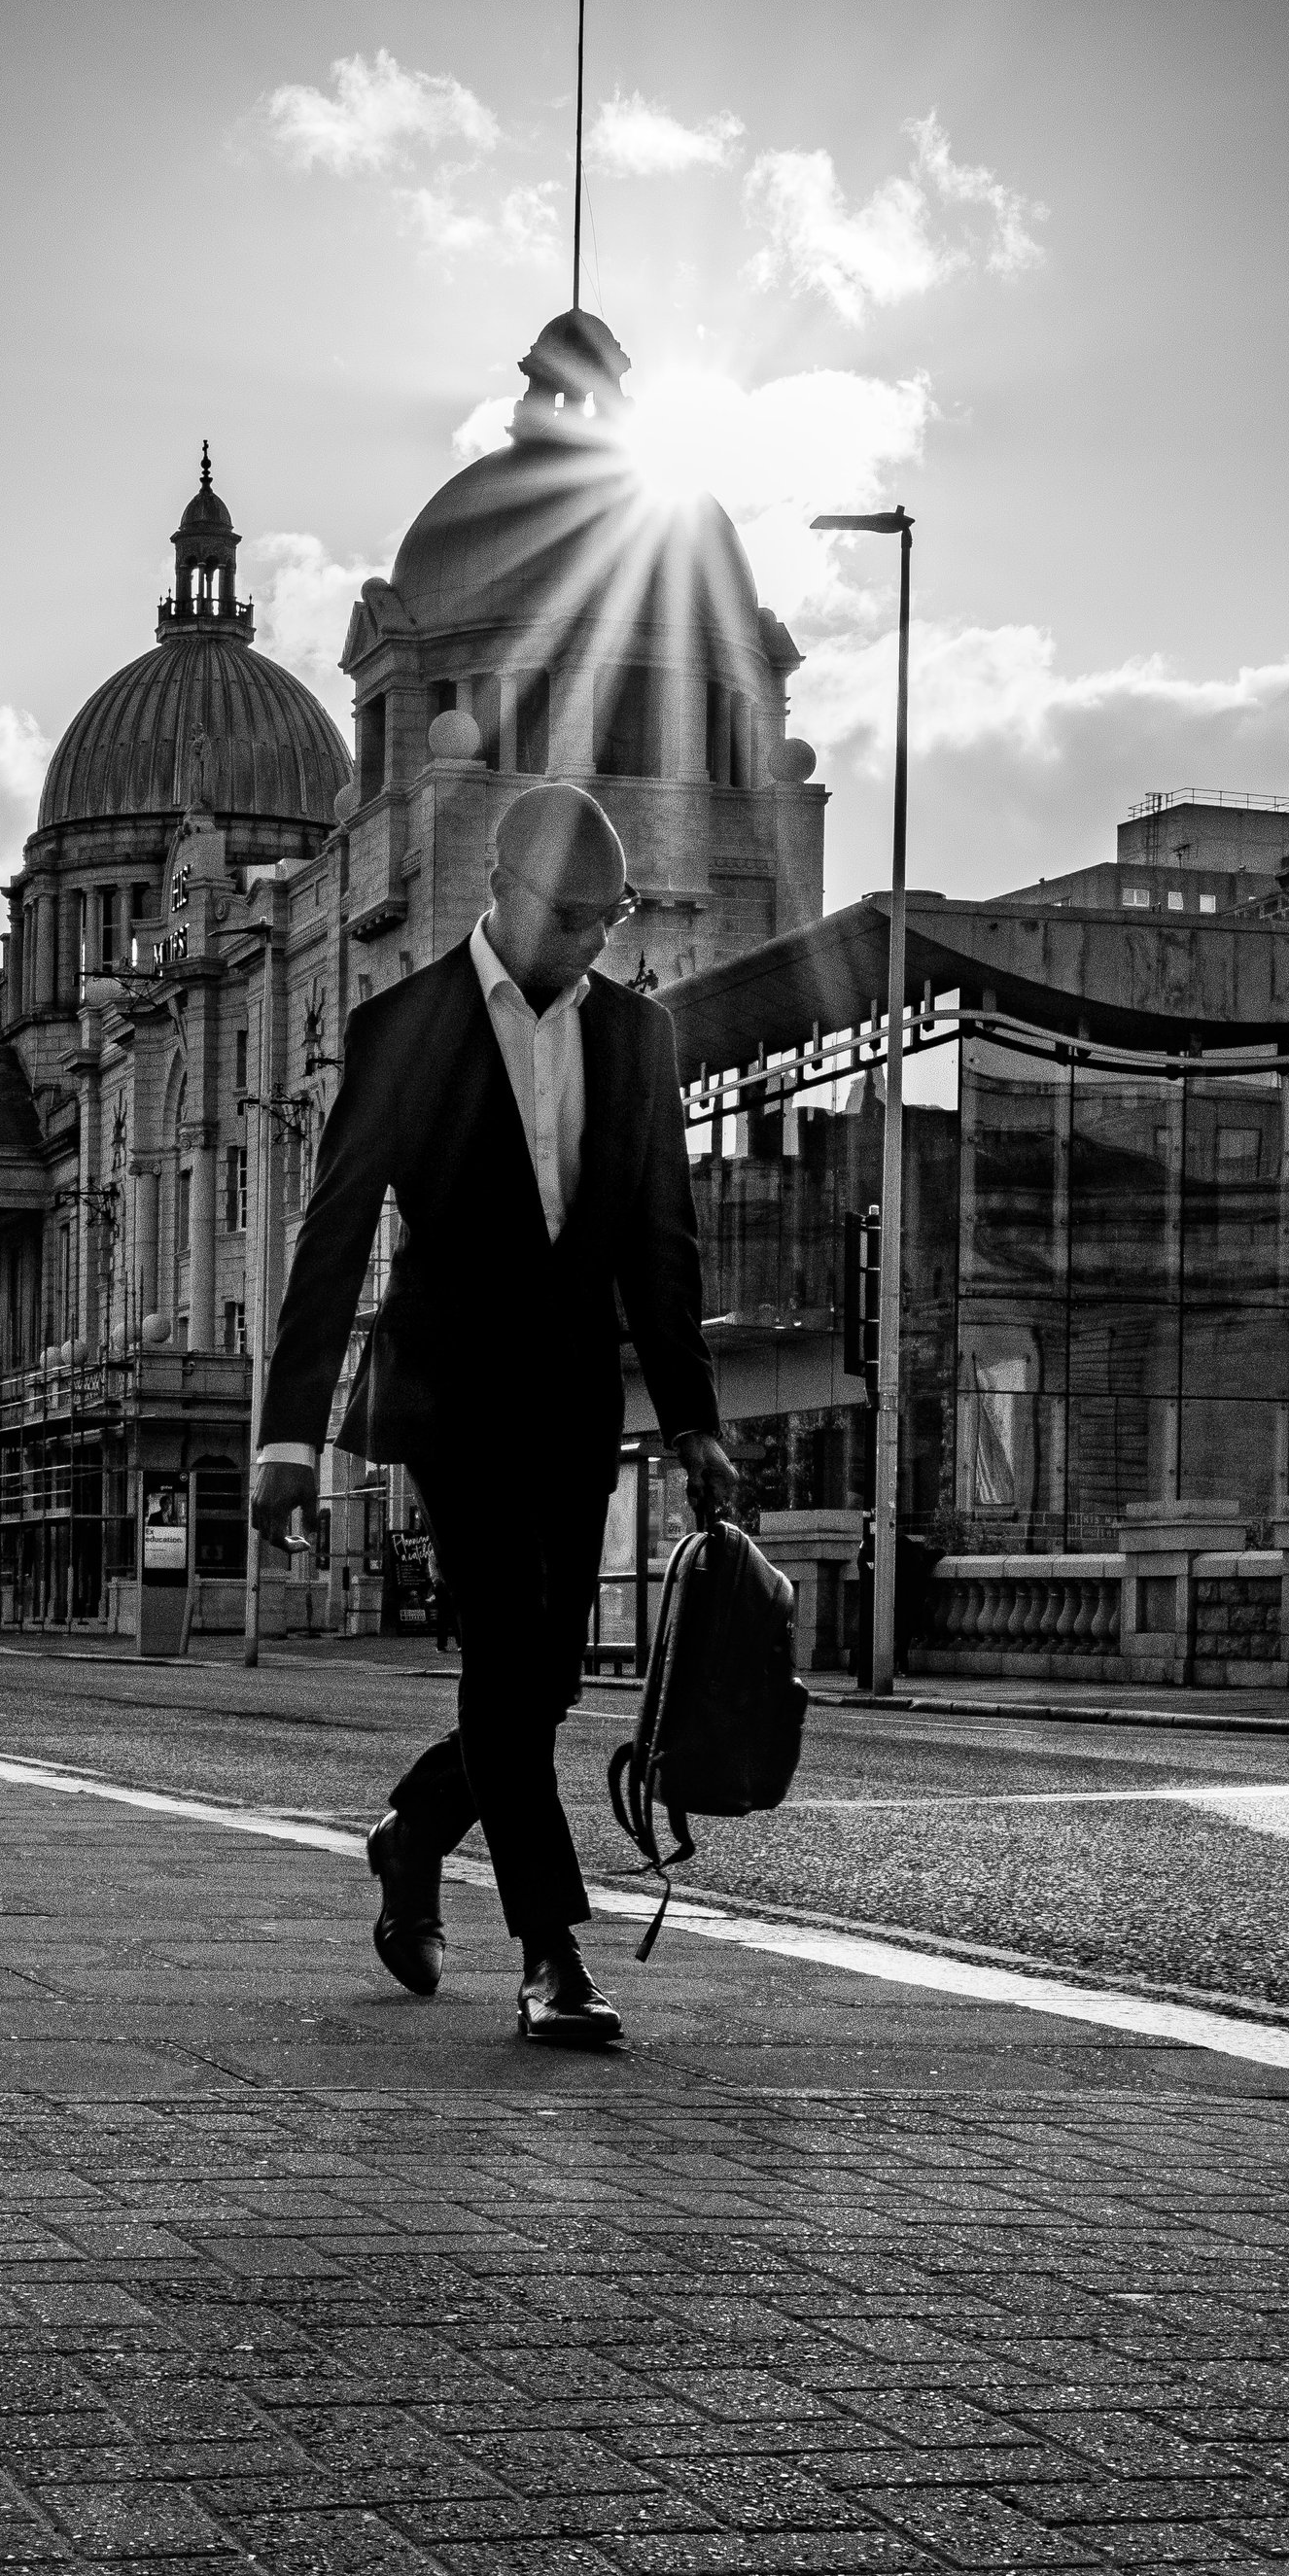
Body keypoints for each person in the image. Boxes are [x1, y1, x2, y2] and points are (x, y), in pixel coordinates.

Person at [253, 783, 735, 2046]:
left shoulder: (641, 1037)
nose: (595, 938)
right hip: (448, 1401)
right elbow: (333, 1235)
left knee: (546, 1679)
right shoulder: (400, 1029)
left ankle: (413, 1835)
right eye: (577, 915)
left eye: (611, 915)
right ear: (505, 894)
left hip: (576, 1405)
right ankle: (550, 1953)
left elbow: (660, 1241)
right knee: (509, 1666)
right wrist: (290, 1437)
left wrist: (693, 1419)